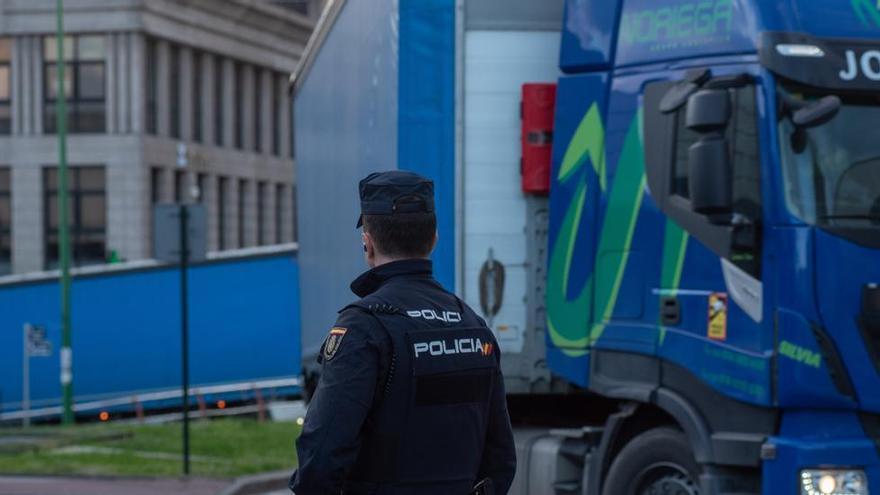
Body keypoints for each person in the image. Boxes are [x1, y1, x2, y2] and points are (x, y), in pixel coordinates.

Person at [289, 170, 517, 495]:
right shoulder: (473, 325)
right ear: (434, 237)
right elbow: (501, 460)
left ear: (367, 242)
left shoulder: (364, 327)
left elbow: (321, 458)